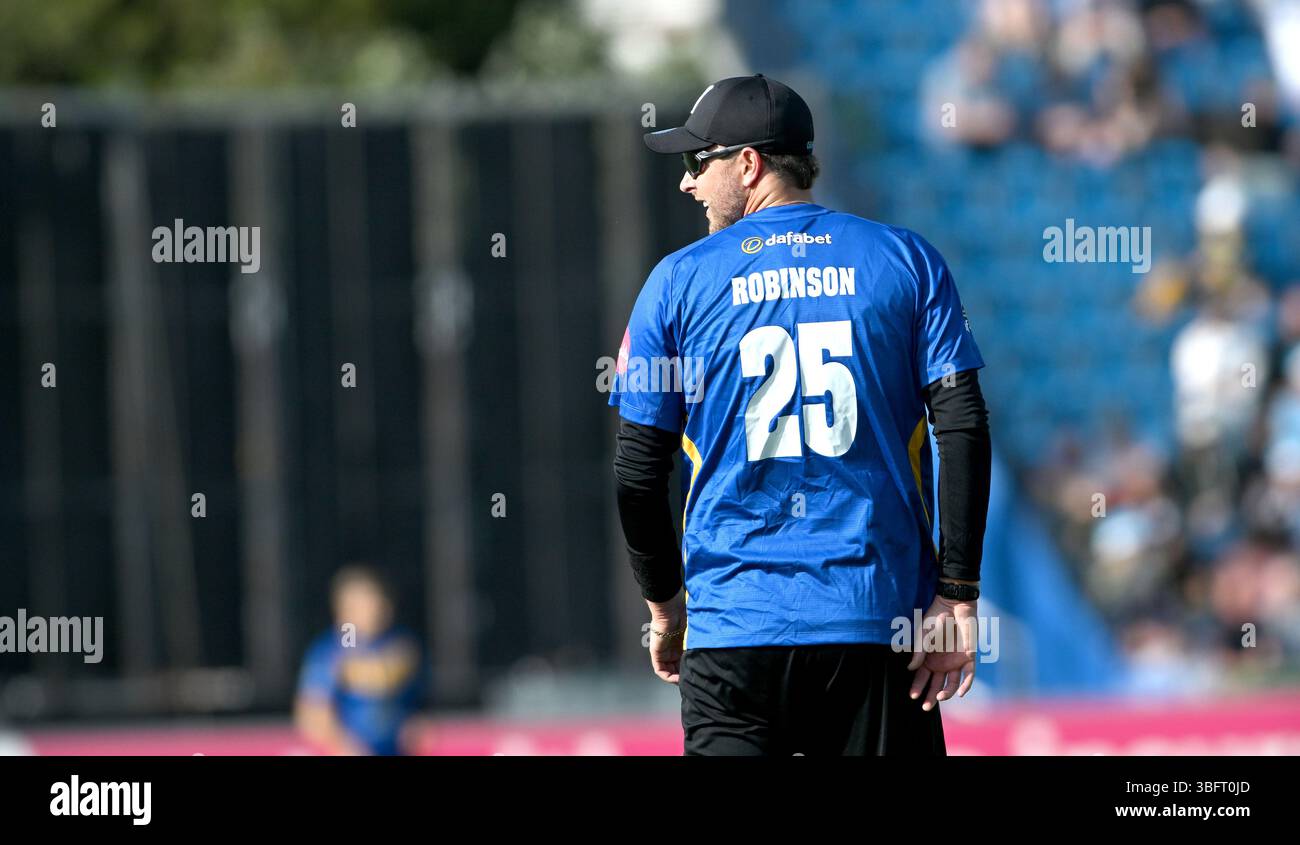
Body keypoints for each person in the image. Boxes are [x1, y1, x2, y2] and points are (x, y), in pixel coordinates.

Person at [609, 74, 992, 755]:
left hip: (734, 632)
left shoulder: (676, 281)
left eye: (699, 161)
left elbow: (638, 474)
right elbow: (961, 426)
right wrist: (956, 594)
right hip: (876, 625)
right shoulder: (905, 260)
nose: (687, 182)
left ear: (748, 164)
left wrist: (666, 605)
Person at [294, 565, 425, 755]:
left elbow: (417, 701)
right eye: (365, 602)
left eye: (379, 600)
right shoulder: (336, 645)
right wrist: (343, 745)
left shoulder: (401, 640)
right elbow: (312, 712)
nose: (378, 608)